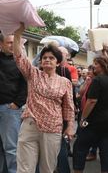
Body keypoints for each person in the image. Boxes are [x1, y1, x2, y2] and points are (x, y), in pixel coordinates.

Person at [13, 24, 75, 173]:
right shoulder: (33, 74)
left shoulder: (64, 82)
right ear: (40, 61)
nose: (47, 60)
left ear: (58, 62)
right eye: (44, 58)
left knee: (47, 168)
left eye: (51, 58)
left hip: (53, 127)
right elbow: (19, 57)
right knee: (25, 168)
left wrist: (70, 126)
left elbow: (68, 106)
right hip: (30, 125)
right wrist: (18, 35)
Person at [72, 56, 108, 173]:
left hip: (95, 120)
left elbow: (92, 101)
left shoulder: (97, 80)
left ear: (101, 65)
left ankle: (78, 171)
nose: (93, 66)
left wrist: (83, 118)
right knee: (106, 149)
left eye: (95, 64)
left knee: (80, 147)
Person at [0, 33, 27, 173]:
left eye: (14, 42)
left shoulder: (20, 62)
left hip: (10, 109)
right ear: (1, 44)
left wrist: (17, 103)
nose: (12, 45)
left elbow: (26, 85)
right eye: (9, 42)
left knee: (11, 148)